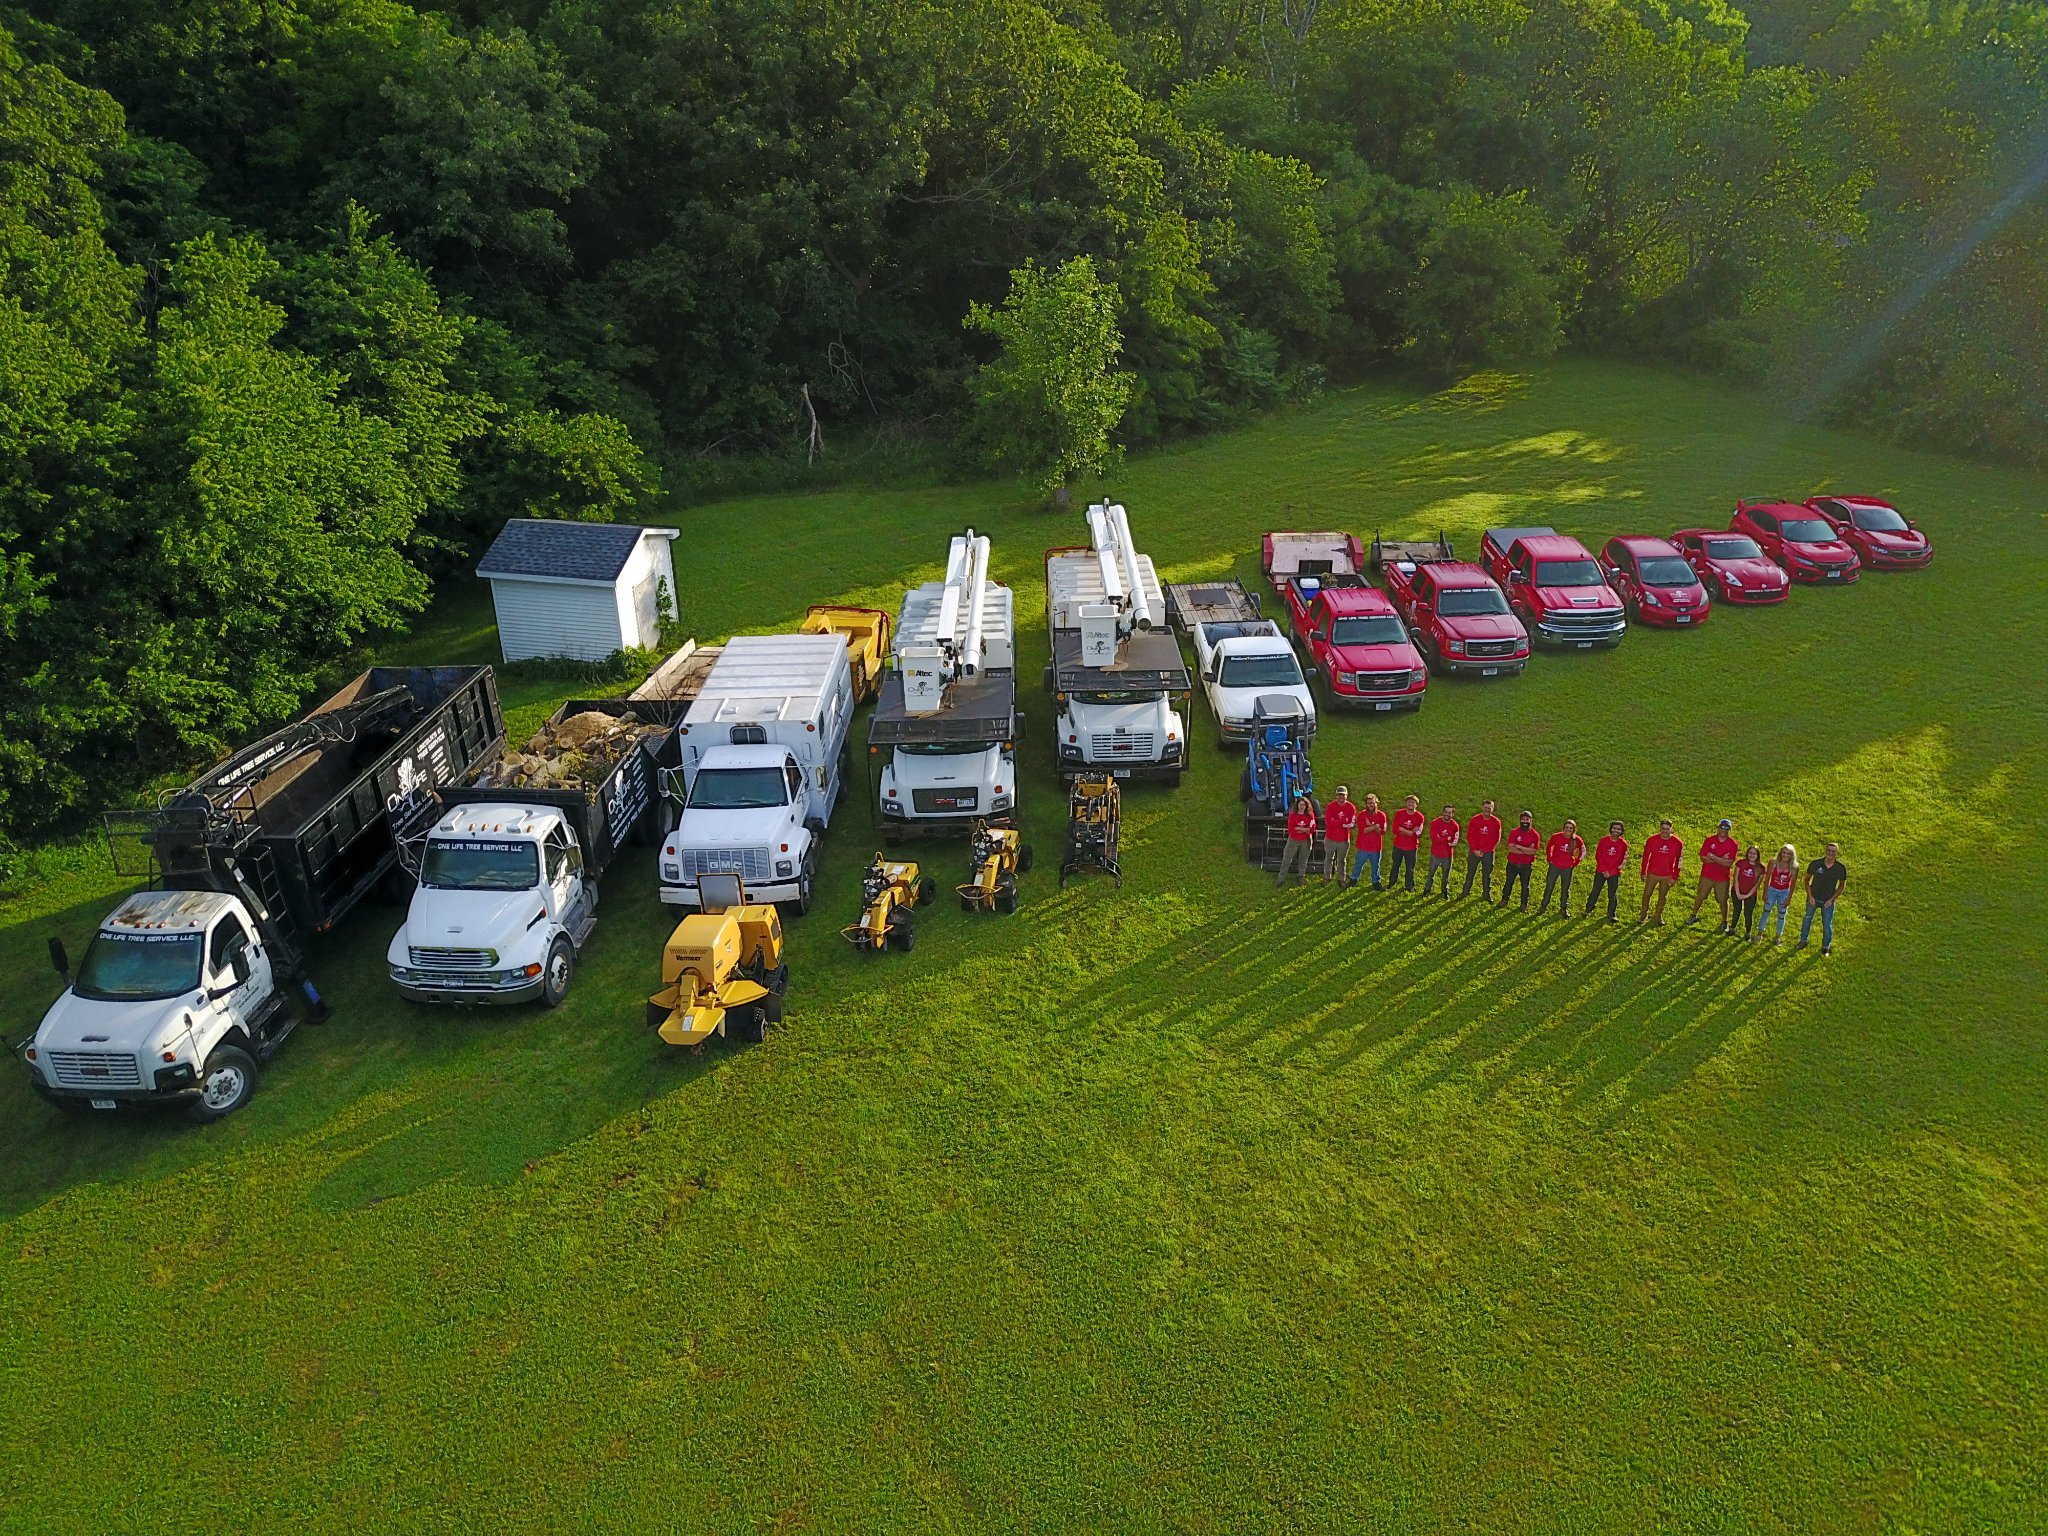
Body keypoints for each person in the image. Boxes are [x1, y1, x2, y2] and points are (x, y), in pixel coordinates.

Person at [1686, 817, 1739, 928]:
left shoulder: (1733, 844)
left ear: (1729, 830)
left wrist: (1713, 857)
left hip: (1722, 878)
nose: (1723, 830)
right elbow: (1703, 858)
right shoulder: (1709, 840)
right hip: (1707, 875)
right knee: (1700, 896)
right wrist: (1721, 859)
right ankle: (1693, 914)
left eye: (1726, 828)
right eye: (1722, 827)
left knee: (1723, 900)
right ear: (1718, 828)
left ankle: (1724, 921)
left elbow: (1729, 863)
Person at [1798, 842, 1848, 955]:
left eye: (1833, 851)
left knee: (1827, 924)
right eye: (1829, 850)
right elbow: (1806, 880)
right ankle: (1803, 941)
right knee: (1807, 919)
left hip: (1828, 901)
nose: (1830, 853)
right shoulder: (1816, 864)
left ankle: (1826, 946)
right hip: (1813, 898)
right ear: (1825, 851)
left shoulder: (1840, 868)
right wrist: (1809, 896)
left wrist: (1832, 899)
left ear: (1837, 853)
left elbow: (1842, 885)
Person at [1536, 818, 1585, 916]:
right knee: (1549, 886)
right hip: (1555, 865)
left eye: (1571, 828)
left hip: (1567, 867)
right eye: (1566, 827)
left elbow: (1583, 852)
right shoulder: (1556, 836)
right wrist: (1549, 858)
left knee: (1565, 888)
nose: (1568, 830)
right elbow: (1549, 846)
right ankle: (1543, 906)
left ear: (1574, 829)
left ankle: (1563, 908)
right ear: (1563, 828)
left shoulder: (1577, 840)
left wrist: (1575, 863)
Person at [1638, 818, 1683, 926]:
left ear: (1671, 829)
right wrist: (1643, 872)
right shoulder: (1652, 840)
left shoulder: (1677, 843)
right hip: (1653, 873)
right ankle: (1643, 915)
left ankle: (1658, 916)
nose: (1665, 831)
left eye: (1667, 829)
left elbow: (1679, 861)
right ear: (1660, 828)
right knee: (1647, 893)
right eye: (1663, 828)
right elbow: (1645, 857)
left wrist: (1675, 876)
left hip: (1667, 874)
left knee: (1663, 896)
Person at [1583, 820, 1628, 922]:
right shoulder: (1603, 840)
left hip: (1614, 873)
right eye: (1614, 828)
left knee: (1612, 893)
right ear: (1611, 829)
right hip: (1601, 871)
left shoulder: (1623, 844)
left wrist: (1611, 872)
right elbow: (1598, 855)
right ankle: (1588, 909)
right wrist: (1604, 870)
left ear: (1621, 831)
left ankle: (1612, 913)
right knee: (1595, 890)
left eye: (1618, 829)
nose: (1616, 830)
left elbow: (1623, 860)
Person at [1500, 810, 1540, 911]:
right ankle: (1504, 899)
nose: (1525, 821)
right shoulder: (1514, 832)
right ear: (1520, 820)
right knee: (1508, 882)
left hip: (1526, 865)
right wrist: (1526, 849)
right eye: (1523, 819)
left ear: (1531, 820)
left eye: (1527, 819)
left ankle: (1524, 904)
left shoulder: (1535, 835)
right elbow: (1510, 848)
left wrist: (1519, 847)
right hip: (1512, 863)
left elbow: (1533, 851)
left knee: (1525, 885)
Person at [1462, 799, 1502, 900]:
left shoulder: (1496, 822)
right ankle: (1465, 891)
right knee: (1470, 872)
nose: (1487, 810)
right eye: (1485, 808)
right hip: (1474, 851)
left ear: (1493, 809)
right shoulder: (1475, 819)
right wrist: (1475, 849)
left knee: (1487, 874)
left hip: (1488, 852)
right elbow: (1470, 836)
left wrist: (1484, 850)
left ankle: (1486, 894)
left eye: (1489, 808)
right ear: (1482, 807)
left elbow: (1496, 839)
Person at [1277, 794, 1317, 888]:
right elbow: (1291, 830)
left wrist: (1299, 829)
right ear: (1297, 805)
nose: (1302, 806)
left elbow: (1312, 829)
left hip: (1306, 841)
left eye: (1304, 805)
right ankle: (1281, 878)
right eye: (1300, 804)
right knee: (1286, 859)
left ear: (1306, 806)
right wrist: (1304, 829)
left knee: (1303, 860)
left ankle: (1301, 877)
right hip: (1293, 840)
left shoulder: (1310, 815)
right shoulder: (1292, 815)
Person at [1760, 843, 1797, 943]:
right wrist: (1765, 892)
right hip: (1772, 889)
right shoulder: (1773, 862)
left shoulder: (1794, 867)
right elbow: (1767, 878)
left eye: (1788, 854)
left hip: (1784, 891)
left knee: (1782, 914)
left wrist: (1789, 898)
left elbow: (1793, 884)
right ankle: (1760, 932)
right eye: (1784, 853)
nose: (1785, 855)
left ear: (1792, 855)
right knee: (1766, 910)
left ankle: (1778, 936)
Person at [1351, 793, 1389, 889]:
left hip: (1375, 846)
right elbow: (1364, 830)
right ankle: (1353, 879)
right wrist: (1376, 826)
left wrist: (1370, 826)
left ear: (1376, 803)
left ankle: (1376, 882)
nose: (1371, 805)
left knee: (1375, 866)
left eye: (1373, 803)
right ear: (1366, 804)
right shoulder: (1362, 815)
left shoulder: (1382, 815)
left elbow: (1382, 831)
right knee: (1358, 864)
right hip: (1363, 845)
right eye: (1368, 803)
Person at [1322, 786, 1358, 885]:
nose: (1341, 796)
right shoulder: (1330, 806)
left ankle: (1341, 878)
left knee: (1342, 860)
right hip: (1330, 837)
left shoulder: (1351, 807)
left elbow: (1351, 823)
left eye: (1343, 794)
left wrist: (1336, 821)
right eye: (1339, 794)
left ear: (1346, 795)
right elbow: (1328, 822)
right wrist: (1343, 822)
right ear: (1336, 796)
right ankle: (1327, 877)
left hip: (1344, 838)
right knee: (1328, 858)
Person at [1390, 795, 1426, 892]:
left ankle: (1409, 886)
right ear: (1406, 803)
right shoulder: (1399, 814)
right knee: (1395, 865)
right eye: (1409, 802)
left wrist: (1402, 829)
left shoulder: (1420, 817)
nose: (1411, 804)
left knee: (1410, 868)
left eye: (1413, 802)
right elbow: (1394, 829)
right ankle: (1391, 883)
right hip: (1398, 845)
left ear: (1416, 805)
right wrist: (1409, 832)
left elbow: (1417, 834)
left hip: (1411, 847)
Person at [1423, 804, 1460, 898]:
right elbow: (1434, 839)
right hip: (1435, 853)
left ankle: (1444, 890)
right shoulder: (1435, 823)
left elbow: (1454, 841)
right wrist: (1447, 838)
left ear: (1453, 814)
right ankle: (1427, 889)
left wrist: (1444, 839)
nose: (1447, 814)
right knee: (1431, 873)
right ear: (1443, 812)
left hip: (1447, 855)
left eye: (1449, 813)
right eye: (1446, 812)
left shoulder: (1455, 826)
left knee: (1446, 875)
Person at [1730, 844, 1765, 939]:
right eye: (1750, 853)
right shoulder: (1740, 863)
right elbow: (1735, 878)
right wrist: (1737, 892)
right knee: (1736, 910)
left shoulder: (1761, 868)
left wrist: (1746, 895)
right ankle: (1732, 928)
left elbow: (1757, 885)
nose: (1752, 855)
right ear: (1747, 853)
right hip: (1736, 891)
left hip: (1750, 895)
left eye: (1754, 853)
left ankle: (1748, 932)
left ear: (1757, 855)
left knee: (1748, 913)